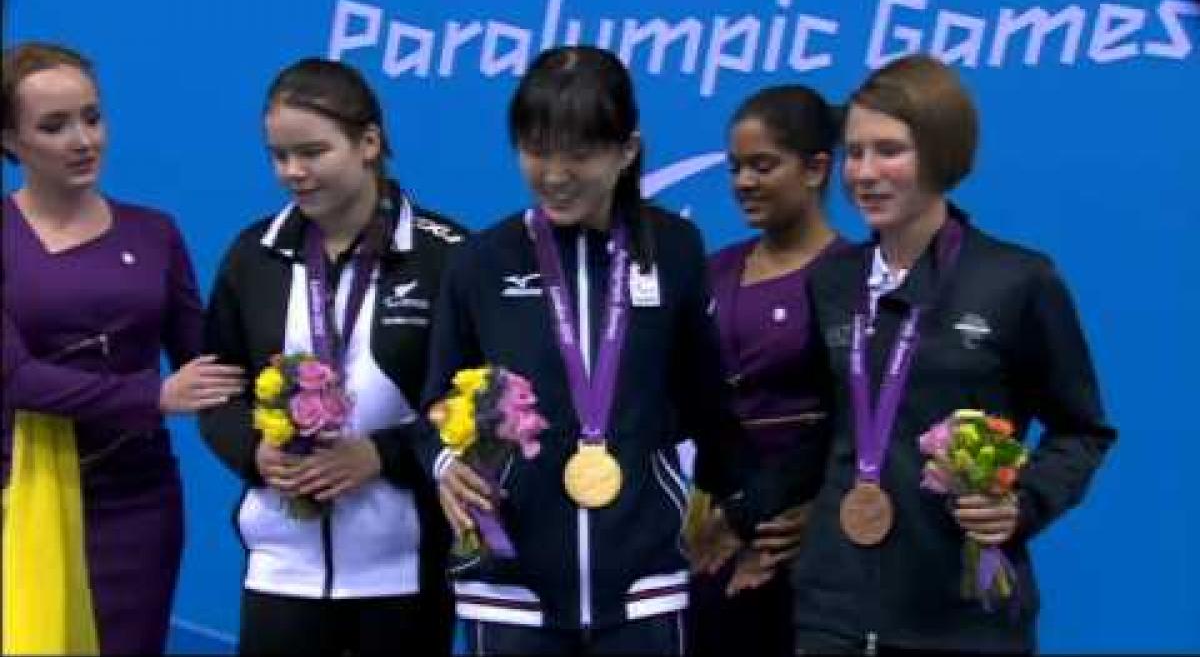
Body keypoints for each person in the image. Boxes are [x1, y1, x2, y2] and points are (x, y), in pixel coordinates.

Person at [712, 54, 1117, 654]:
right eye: (854, 152)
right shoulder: (832, 281)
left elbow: (1082, 430)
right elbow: (832, 427)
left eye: (889, 150)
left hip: (960, 616)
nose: (865, 173)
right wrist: (738, 513)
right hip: (833, 612)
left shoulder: (1015, 280)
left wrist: (1024, 502)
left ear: (940, 153)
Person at [416, 45, 747, 655]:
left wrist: (739, 504)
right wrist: (444, 466)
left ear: (626, 151)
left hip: (644, 570)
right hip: (511, 574)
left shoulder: (674, 248)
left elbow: (705, 398)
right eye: (537, 151)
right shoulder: (480, 262)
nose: (556, 173)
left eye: (580, 153)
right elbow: (434, 404)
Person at [198, 57, 466, 655]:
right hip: (279, 567)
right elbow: (218, 392)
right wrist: (254, 451)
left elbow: (475, 403)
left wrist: (381, 455)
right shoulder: (253, 257)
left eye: (312, 152)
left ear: (368, 142)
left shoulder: (444, 257)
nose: (293, 172)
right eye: (278, 156)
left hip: (405, 568)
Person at [0, 42, 245, 654]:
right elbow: (13, 380)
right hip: (17, 494)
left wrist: (293, 402)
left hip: (139, 504)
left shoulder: (155, 232)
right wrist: (154, 395)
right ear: (9, 139)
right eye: (54, 126)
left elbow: (206, 360)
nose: (83, 139)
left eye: (92, 116)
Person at [688, 85, 850, 657]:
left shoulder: (853, 278)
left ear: (816, 169)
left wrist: (815, 512)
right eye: (735, 168)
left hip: (802, 538)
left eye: (763, 165)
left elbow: (857, 419)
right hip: (710, 534)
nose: (743, 182)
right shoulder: (710, 269)